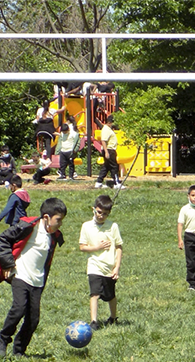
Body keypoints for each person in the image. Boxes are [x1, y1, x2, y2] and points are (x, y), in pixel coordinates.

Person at [0, 198, 67, 358]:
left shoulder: (53, 236)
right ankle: (3, 341)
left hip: (38, 281)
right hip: (20, 275)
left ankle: (19, 350)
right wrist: (7, 264)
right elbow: (3, 239)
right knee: (19, 308)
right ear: (46, 217)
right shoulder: (28, 227)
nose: (60, 224)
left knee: (33, 319)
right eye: (58, 220)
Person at [79, 195, 124, 331]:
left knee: (110, 295)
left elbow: (119, 247)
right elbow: (82, 246)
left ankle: (113, 317)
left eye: (105, 214)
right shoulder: (86, 226)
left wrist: (117, 267)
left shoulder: (113, 226)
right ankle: (93, 321)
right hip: (94, 266)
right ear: (94, 209)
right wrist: (96, 248)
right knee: (95, 293)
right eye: (99, 212)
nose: (101, 216)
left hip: (109, 267)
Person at [94, 115, 124, 189]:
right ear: (110, 122)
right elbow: (103, 141)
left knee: (106, 167)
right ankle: (117, 183)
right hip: (109, 150)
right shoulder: (106, 130)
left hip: (110, 150)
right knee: (114, 166)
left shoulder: (109, 129)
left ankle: (99, 182)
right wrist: (106, 152)